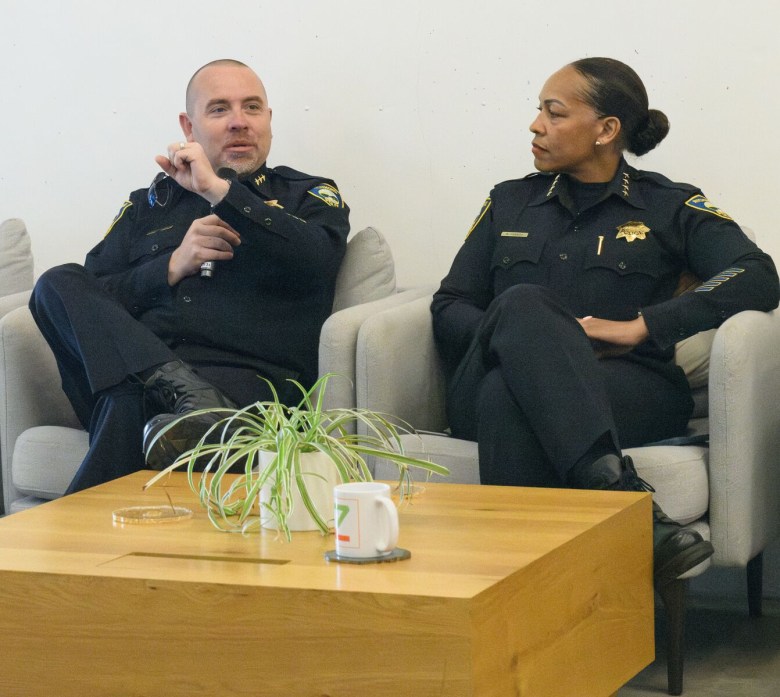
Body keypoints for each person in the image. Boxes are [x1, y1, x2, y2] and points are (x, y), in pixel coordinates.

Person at [431, 57, 779, 588]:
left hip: (631, 385)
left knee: (510, 397)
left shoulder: (669, 204)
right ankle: (624, 502)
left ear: (606, 130)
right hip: (485, 378)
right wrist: (536, 343)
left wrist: (645, 325)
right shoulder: (510, 201)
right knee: (524, 311)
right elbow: (450, 305)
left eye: (555, 113)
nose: (536, 125)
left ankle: (529, 614)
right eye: (539, 111)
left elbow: (757, 274)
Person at [29, 59, 350, 493]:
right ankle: (187, 399)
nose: (239, 122)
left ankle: (71, 544)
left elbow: (317, 261)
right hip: (143, 381)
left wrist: (219, 192)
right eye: (219, 110)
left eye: (252, 108)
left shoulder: (306, 195)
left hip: (245, 391)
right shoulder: (148, 206)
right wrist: (168, 267)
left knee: (123, 405)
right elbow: (91, 298)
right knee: (56, 282)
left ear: (269, 120)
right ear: (189, 126)